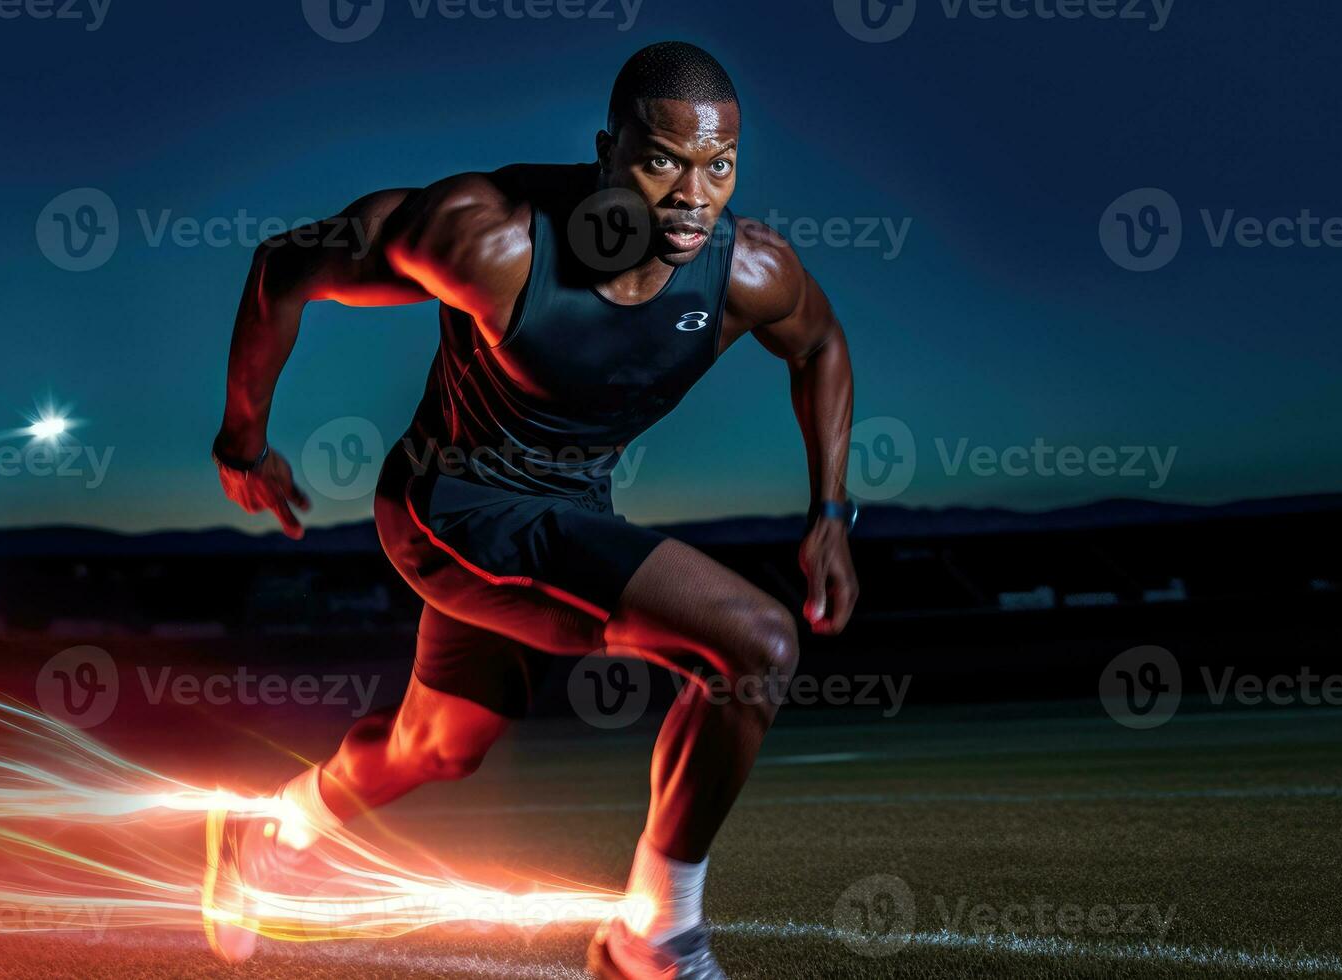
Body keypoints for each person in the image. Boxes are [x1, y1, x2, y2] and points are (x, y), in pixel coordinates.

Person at [207, 40, 860, 979]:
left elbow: (822, 347)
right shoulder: (490, 238)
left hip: (564, 514)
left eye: (717, 167)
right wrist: (244, 441)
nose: (691, 195)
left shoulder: (748, 272)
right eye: (661, 161)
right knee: (755, 644)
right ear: (607, 152)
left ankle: (271, 833)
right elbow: (285, 267)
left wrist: (832, 510)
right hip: (452, 510)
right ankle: (655, 934)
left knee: (435, 748)